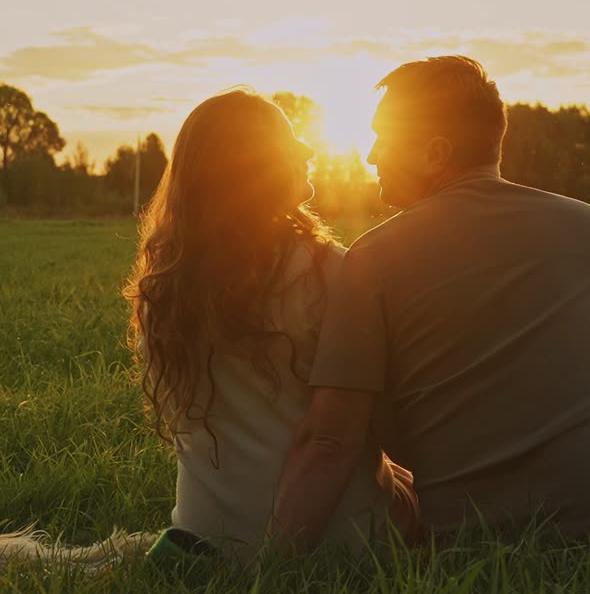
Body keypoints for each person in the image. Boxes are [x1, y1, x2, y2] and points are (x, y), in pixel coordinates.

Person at [268, 55, 590, 550]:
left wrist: (271, 570)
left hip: (467, 548)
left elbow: (331, 441)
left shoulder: (372, 259)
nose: (371, 156)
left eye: (384, 138)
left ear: (435, 153)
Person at [125, 88, 418, 567]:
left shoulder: (165, 291)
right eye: (289, 141)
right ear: (251, 169)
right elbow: (377, 426)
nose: (306, 150)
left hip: (205, 541)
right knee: (423, 491)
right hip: (344, 544)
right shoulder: (336, 272)